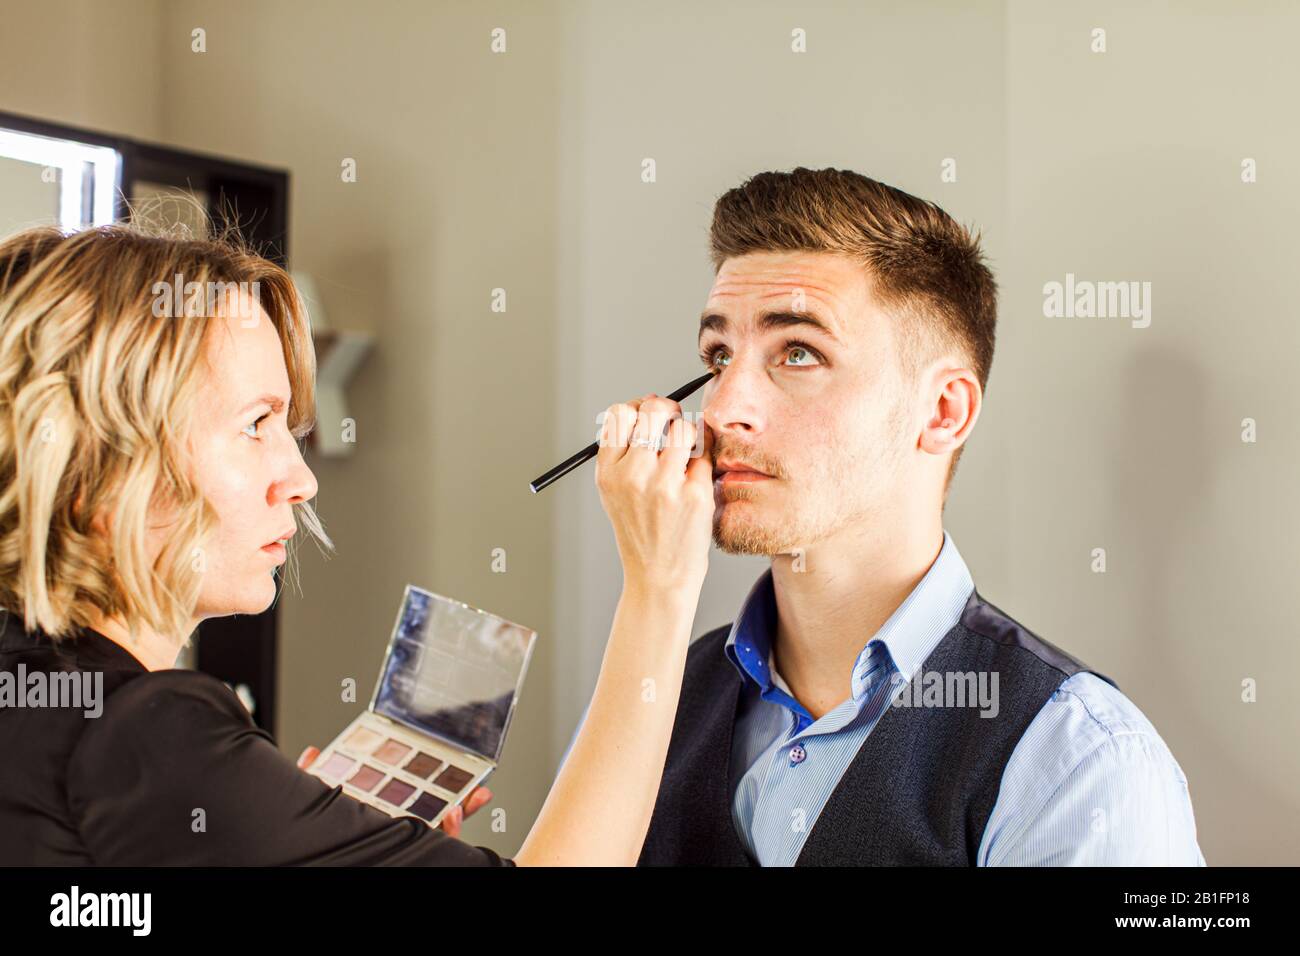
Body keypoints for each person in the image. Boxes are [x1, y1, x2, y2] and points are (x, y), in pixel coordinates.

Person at [0, 221, 713, 866]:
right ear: (94, 472)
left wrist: (285, 826)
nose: (300, 479)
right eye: (255, 425)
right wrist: (660, 587)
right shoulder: (147, 735)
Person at [633, 167, 1206, 866]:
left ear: (943, 412)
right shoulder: (653, 693)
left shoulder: (1080, 764)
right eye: (718, 357)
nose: (721, 410)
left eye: (799, 352)